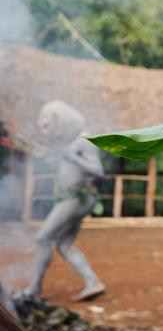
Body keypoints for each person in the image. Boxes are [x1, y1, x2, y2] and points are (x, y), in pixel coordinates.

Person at [20, 101, 106, 303]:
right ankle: (93, 283)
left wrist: (70, 157)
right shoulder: (71, 143)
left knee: (42, 238)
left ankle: (33, 289)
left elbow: (98, 171)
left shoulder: (84, 140)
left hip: (78, 197)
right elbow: (67, 162)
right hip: (71, 197)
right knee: (63, 244)